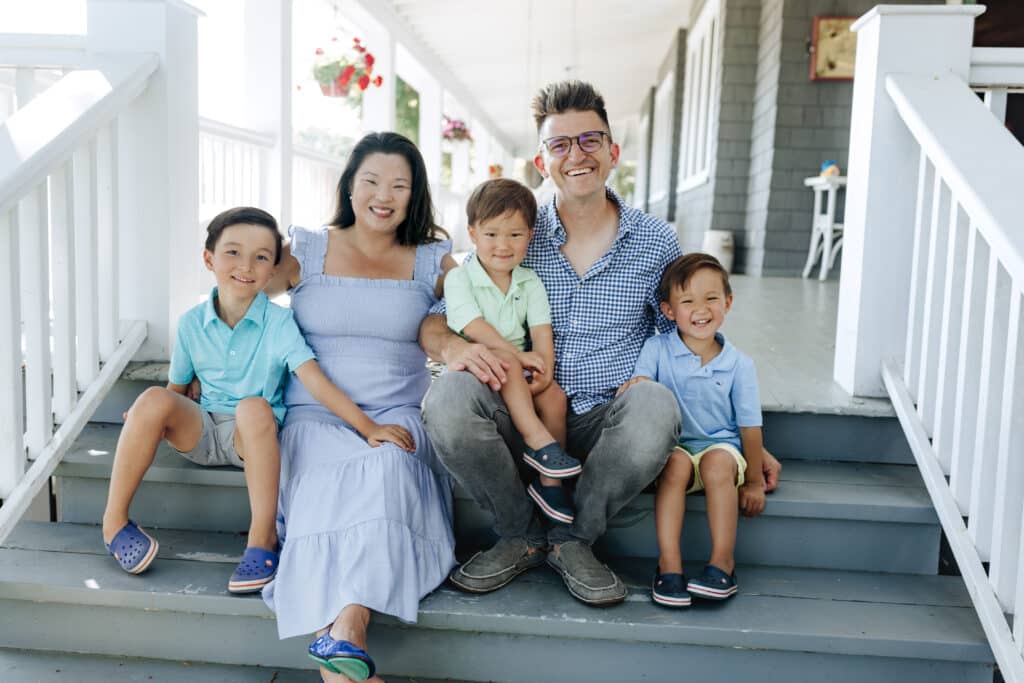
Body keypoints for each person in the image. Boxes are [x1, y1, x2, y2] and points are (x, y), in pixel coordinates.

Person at [422, 80, 781, 606]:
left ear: (612, 151)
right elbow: (437, 320)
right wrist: (453, 350)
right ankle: (520, 535)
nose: (577, 155)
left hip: (607, 417)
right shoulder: (511, 230)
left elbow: (681, 339)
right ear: (542, 163)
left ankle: (573, 540)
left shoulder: (656, 239)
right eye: (560, 144)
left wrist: (741, 438)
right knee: (449, 400)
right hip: (519, 411)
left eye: (590, 140)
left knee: (656, 404)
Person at [101, 207, 413, 596]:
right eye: (232, 252)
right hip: (201, 431)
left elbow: (315, 381)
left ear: (273, 270)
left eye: (261, 257)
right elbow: (175, 390)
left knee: (252, 406)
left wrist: (369, 427)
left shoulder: (279, 324)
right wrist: (146, 419)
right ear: (209, 258)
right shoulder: (191, 324)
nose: (246, 265)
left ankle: (261, 538)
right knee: (150, 399)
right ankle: (114, 523)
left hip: (252, 439)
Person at [261, 132, 456, 683]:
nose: (383, 195)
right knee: (329, 479)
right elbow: (242, 293)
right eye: (371, 181)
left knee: (390, 466)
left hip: (396, 413)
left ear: (414, 194)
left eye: (399, 185)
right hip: (316, 417)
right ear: (349, 186)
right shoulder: (306, 248)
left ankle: (345, 634)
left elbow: (477, 305)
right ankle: (349, 641)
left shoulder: (433, 258)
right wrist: (198, 378)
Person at [618, 253, 764, 607]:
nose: (701, 309)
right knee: (674, 466)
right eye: (687, 301)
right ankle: (669, 565)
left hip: (722, 449)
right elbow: (641, 394)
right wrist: (634, 386)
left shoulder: (739, 365)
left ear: (727, 302)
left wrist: (755, 481)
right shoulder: (656, 348)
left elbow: (749, 427)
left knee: (716, 465)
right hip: (675, 447)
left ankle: (722, 564)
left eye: (711, 298)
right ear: (669, 311)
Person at [443, 178, 576, 524]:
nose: (503, 245)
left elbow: (541, 333)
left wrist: (544, 371)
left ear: (530, 236)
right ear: (472, 233)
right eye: (491, 235)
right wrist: (517, 358)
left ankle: (551, 484)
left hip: (521, 370)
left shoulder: (529, 281)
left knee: (556, 398)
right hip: (480, 368)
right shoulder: (460, 278)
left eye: (515, 235)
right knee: (505, 360)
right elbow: (471, 326)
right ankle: (539, 443)